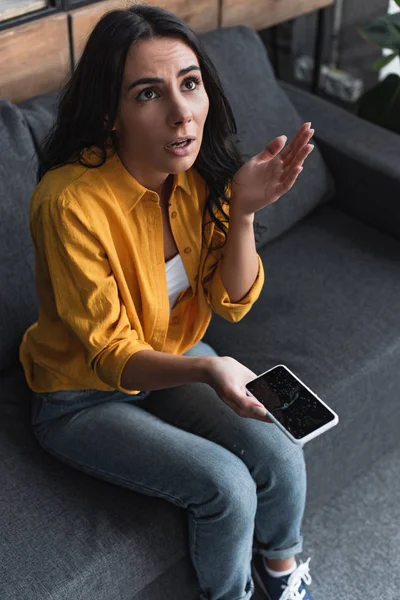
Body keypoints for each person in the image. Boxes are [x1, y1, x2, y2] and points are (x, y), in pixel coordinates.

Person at [19, 5, 315, 600]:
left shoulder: (197, 177)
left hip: (172, 355)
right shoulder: (69, 202)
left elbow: (229, 303)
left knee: (281, 448)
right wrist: (209, 367)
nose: (182, 113)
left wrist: (244, 211)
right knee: (227, 488)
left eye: (190, 83)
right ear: (111, 113)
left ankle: (281, 575)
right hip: (80, 397)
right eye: (149, 93)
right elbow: (110, 354)